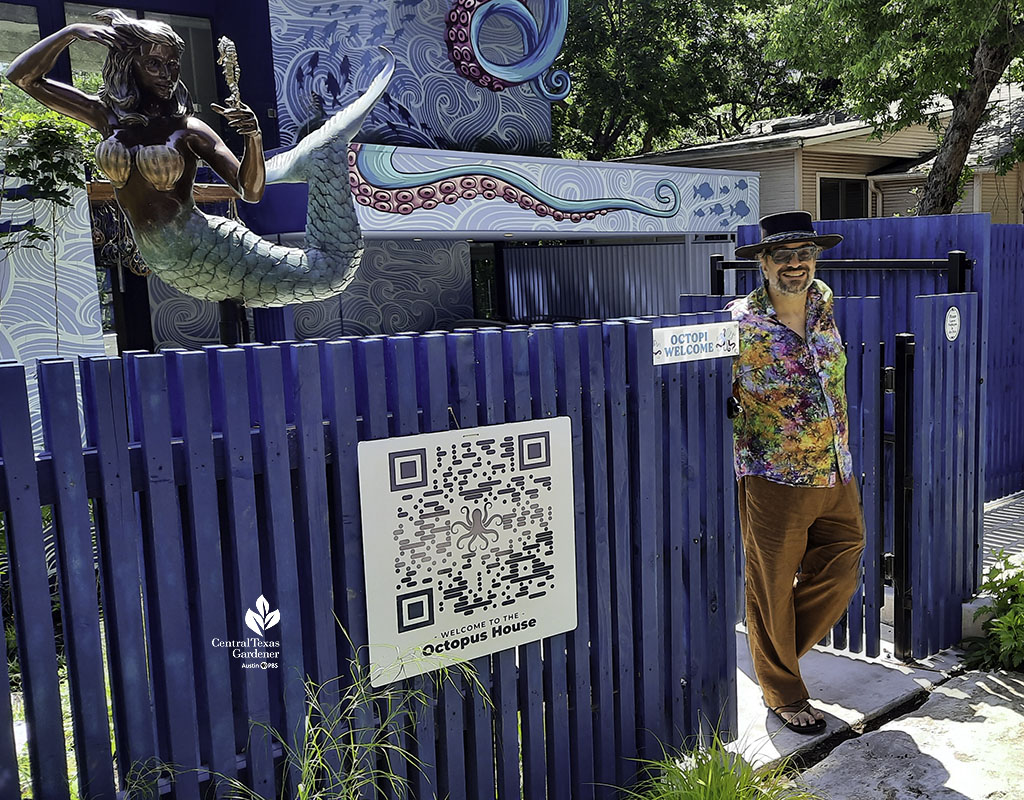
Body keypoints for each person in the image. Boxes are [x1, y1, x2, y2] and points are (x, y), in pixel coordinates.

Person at [5, 8, 393, 307]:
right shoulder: (106, 117)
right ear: (130, 64)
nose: (166, 74)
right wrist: (70, 33)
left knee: (329, 275)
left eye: (172, 64)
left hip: (204, 246)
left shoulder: (189, 129)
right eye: (153, 63)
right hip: (165, 261)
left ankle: (322, 157)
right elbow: (22, 77)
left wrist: (254, 137)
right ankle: (311, 159)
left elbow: (249, 191)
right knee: (314, 278)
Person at [729, 211, 865, 734]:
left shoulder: (826, 307)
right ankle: (783, 690)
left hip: (836, 469)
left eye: (804, 253)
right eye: (783, 254)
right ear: (763, 263)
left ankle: (773, 648)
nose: (795, 263)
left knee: (842, 569)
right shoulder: (740, 321)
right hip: (775, 475)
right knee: (769, 585)